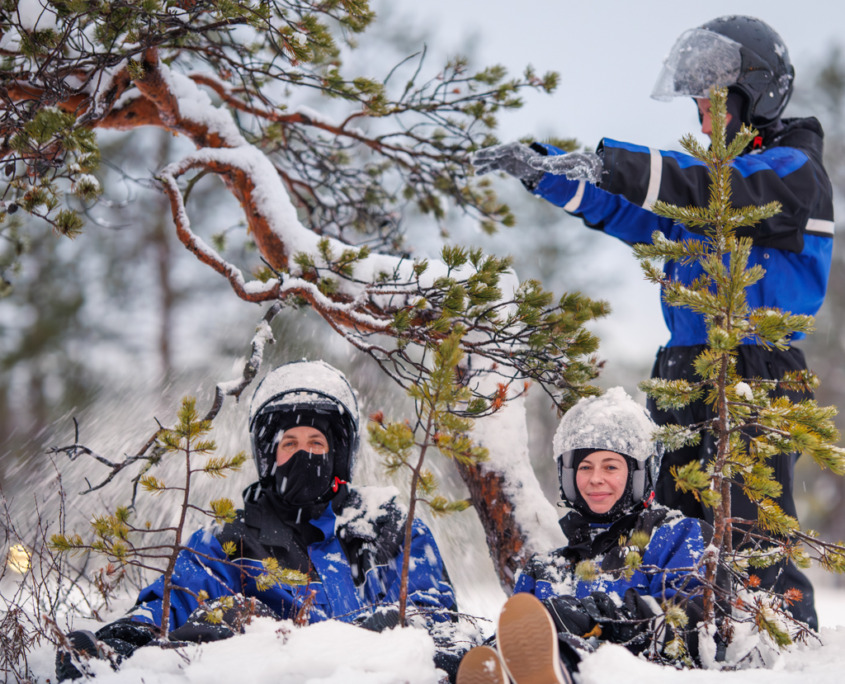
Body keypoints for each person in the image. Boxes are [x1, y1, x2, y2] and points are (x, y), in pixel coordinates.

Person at [472, 15, 829, 629]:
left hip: (754, 369)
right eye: (697, 104)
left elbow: (708, 188)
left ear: (757, 96)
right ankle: (662, 632)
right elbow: (629, 209)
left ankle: (783, 636)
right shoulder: (706, 183)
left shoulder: (793, 171)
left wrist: (611, 162)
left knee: (745, 527)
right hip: (682, 369)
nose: (703, 116)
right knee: (664, 524)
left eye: (715, 101)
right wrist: (547, 168)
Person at [56, 360, 460, 681]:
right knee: (231, 616)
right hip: (277, 676)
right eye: (290, 444)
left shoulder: (383, 526)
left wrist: (385, 629)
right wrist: (124, 639)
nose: (304, 454)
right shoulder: (232, 538)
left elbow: (435, 608)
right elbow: (176, 599)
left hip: (384, 676)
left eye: (316, 443)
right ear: (271, 457)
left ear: (337, 456)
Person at [456, 389, 709, 684]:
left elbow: (693, 623)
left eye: (611, 467)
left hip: (641, 676)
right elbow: (518, 638)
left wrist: (597, 617)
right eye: (584, 467)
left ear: (640, 475)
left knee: (566, 653)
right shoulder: (546, 569)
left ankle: (561, 669)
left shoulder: (675, 536)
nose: (595, 478)